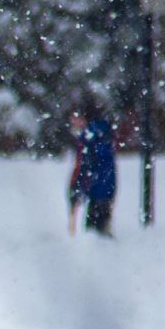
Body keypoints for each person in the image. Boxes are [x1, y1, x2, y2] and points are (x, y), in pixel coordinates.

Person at [68, 96, 118, 237]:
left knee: (95, 233)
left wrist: (78, 186)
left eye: (75, 118)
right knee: (100, 228)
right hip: (104, 189)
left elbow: (85, 165)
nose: (72, 122)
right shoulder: (100, 133)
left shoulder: (90, 137)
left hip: (98, 190)